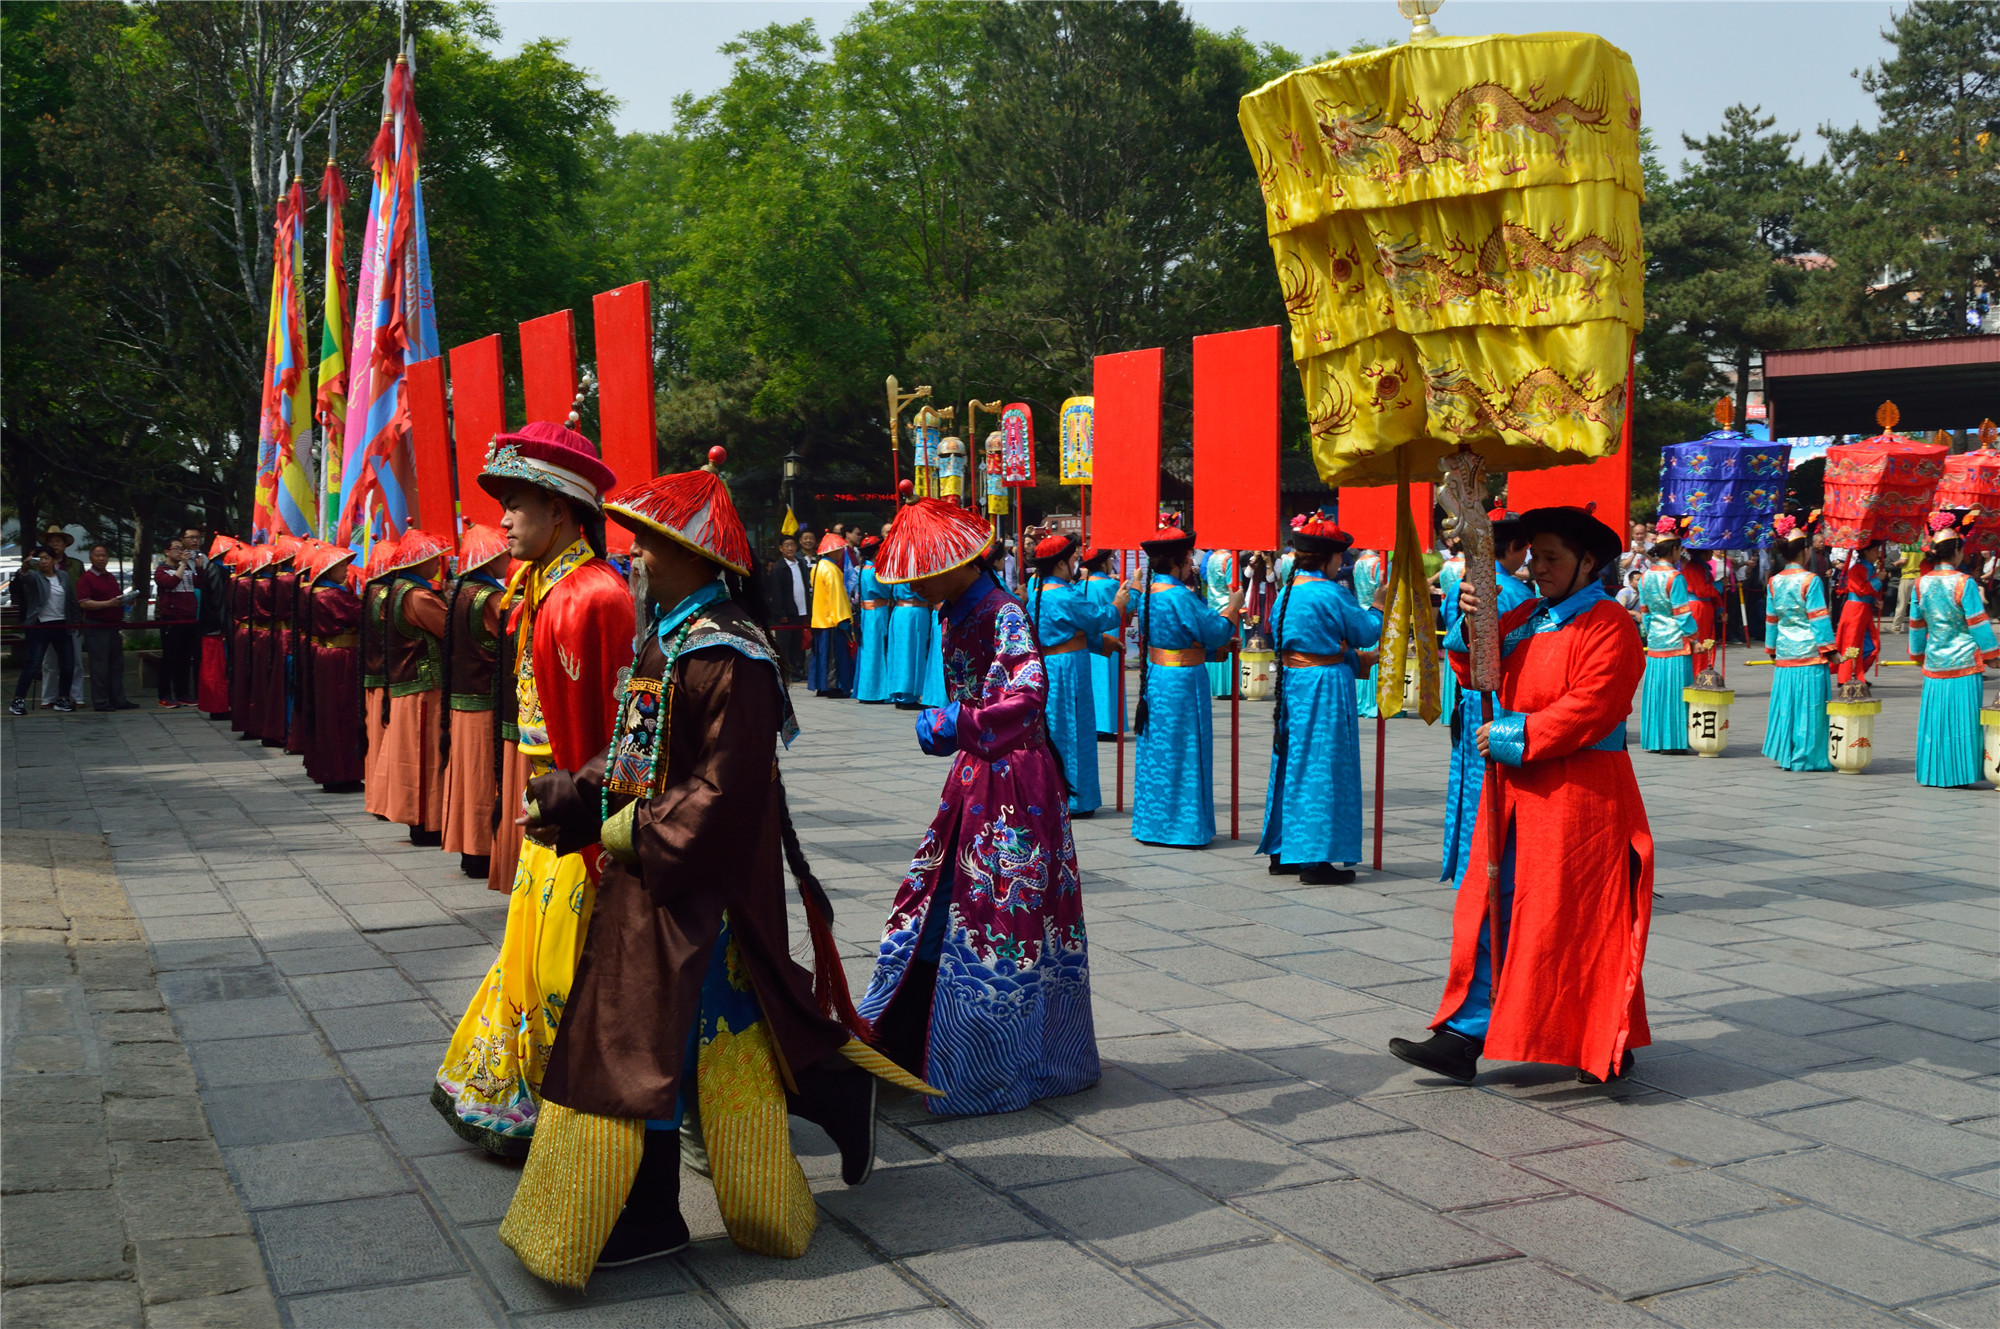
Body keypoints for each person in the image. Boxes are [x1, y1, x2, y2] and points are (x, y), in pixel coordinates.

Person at [498, 463, 923, 1280]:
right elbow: (632, 761)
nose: (641, 558)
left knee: (667, 1042)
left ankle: (659, 1205)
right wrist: (567, 798)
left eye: (653, 544)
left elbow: (724, 795)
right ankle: (695, 1184)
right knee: (663, 1042)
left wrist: (628, 832)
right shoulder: (670, 639)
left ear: (697, 555)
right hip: (655, 878)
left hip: (707, 890)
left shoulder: (735, 655)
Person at [1389, 505, 1654, 1086]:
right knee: (1492, 905)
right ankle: (1465, 1033)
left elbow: (1594, 706)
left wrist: (1516, 733)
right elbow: (1477, 670)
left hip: (1581, 792)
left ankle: (1602, 1038)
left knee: (1578, 918)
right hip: (1516, 790)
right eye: (1535, 557)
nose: (1538, 568)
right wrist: (1468, 626)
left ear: (1589, 562)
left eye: (1552, 558)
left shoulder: (1610, 624)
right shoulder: (1533, 615)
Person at [858, 497, 1097, 1116]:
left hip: (1013, 779)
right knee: (945, 898)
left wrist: (953, 723)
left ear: (960, 563)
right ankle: (915, 1036)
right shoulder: (957, 608)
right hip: (978, 771)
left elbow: (1027, 692)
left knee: (1001, 910)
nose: (916, 586)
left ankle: (996, 1055)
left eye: (923, 574)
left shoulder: (1000, 610)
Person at [436, 420, 633, 1157]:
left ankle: (568, 1100)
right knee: (531, 953)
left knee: (561, 959)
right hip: (546, 809)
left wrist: (596, 822)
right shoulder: (539, 589)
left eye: (517, 501)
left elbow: (614, 730)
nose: (504, 518)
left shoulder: (594, 597)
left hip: (577, 814)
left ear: (561, 510)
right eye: (504, 502)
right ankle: (528, 1094)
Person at [1258, 516, 1382, 886]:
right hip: (1324, 686)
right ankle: (1316, 857)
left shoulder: (1287, 591)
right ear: (1329, 559)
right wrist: (1377, 605)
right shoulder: (1330, 592)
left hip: (1294, 681)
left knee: (1292, 762)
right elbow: (1365, 631)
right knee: (1322, 766)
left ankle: (1283, 851)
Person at [1440, 509, 1539, 887]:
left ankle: (1469, 865)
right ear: (1513, 547)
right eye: (1527, 551)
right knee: (1498, 791)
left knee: (1470, 785)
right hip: (1502, 703)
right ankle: (1493, 871)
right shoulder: (1515, 592)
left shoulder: (1457, 588)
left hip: (1468, 699)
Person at [1131, 526, 1241, 847]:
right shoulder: (1180, 595)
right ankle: (1182, 827)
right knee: (1185, 752)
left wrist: (1211, 650)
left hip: (1156, 678)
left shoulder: (1150, 593)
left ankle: (1153, 823)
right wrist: (1233, 608)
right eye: (1189, 556)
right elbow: (1215, 630)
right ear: (1180, 560)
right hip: (1182, 682)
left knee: (1158, 754)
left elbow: (1170, 640)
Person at [1028, 533, 1126, 816]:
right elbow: (1099, 618)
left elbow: (1065, 632)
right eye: (1072, 559)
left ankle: (1052, 794)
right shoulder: (1065, 594)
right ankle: (1073, 799)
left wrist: (1103, 644)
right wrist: (1118, 603)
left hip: (1049, 666)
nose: (1076, 564)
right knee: (1074, 731)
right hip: (1068, 669)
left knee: (1055, 730)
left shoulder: (1038, 591)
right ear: (1060, 563)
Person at [441, 525, 511, 878]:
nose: (509, 557)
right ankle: (483, 849)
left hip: (463, 699)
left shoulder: (462, 592)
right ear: (489, 559)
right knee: (484, 778)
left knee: (469, 779)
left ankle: (472, 850)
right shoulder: (491, 599)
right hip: (485, 700)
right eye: (503, 553)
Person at [1909, 514, 2000, 787]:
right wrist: (1993, 655)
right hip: (1964, 661)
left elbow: (1916, 625)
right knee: (1963, 720)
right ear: (1958, 551)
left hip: (1936, 661)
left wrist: (1918, 655)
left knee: (1936, 719)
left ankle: (1932, 771)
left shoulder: (1920, 583)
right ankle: (1960, 773)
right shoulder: (1964, 582)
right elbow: (1977, 624)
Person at [377, 529, 453, 845]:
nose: (438, 563)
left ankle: (419, 821)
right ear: (419, 562)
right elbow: (449, 627)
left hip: (407, 683)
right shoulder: (417, 596)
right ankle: (428, 821)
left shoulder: (396, 590)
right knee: (427, 756)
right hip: (426, 687)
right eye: (433, 559)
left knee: (413, 755)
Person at [1761, 516, 1836, 772]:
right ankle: (1808, 756)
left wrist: (1771, 650)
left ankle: (1786, 752)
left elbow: (1771, 620)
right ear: (1804, 552)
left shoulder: (1774, 581)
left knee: (1788, 705)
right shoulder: (1811, 580)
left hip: (1785, 653)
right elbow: (1818, 618)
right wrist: (1830, 649)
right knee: (1810, 707)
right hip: (1810, 653)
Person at [299, 544, 365, 792]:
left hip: (326, 656)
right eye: (342, 567)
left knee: (330, 713)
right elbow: (360, 615)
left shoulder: (314, 592)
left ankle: (335, 771)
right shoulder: (330, 595)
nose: (346, 571)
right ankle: (341, 773)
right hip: (340, 659)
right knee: (342, 713)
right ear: (328, 569)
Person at [1635, 518, 1697, 753]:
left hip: (1656, 642)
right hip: (1676, 642)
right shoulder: (1675, 577)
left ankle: (1655, 739)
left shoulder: (1645, 577)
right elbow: (1682, 614)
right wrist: (1694, 638)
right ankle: (1674, 740)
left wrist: (1651, 634)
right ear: (1673, 550)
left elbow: (1645, 612)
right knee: (1675, 691)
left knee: (1657, 692)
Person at [10, 546, 80, 715]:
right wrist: (26, 565)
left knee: (68, 663)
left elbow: (70, 598)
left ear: (54, 560)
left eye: (46, 558)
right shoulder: (35, 577)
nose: (43, 562)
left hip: (62, 624)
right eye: (39, 559)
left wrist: (76, 619)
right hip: (40, 625)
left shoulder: (63, 576)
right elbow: (24, 576)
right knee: (33, 663)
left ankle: (63, 698)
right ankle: (18, 700)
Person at [78, 544, 137, 712]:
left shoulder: (109, 577)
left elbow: (115, 599)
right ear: (91, 558)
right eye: (97, 555)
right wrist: (108, 604)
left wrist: (126, 600)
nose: (101, 558)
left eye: (104, 555)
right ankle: (101, 701)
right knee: (99, 666)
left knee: (116, 665)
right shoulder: (86, 578)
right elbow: (85, 603)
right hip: (96, 626)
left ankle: (118, 699)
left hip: (113, 626)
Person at [38, 526, 86, 710]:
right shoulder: (39, 565)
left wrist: (80, 616)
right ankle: (48, 697)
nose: (55, 544)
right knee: (49, 661)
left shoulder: (75, 565)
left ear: (65, 544)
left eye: (58, 541)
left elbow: (80, 592)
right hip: (46, 618)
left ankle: (76, 695)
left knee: (75, 660)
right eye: (51, 541)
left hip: (70, 617)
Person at [1082, 548, 1127, 738]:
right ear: (1103, 564)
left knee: (1094, 680)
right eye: (1109, 559)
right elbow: (1129, 604)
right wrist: (1137, 587)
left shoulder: (1081, 587)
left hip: (1089, 636)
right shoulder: (1111, 585)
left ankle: (1094, 723)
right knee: (1109, 679)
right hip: (1109, 632)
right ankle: (1107, 725)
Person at [196, 535, 240, 719]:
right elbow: (220, 602)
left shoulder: (215, 569)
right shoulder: (216, 570)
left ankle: (220, 706)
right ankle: (218, 707)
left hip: (214, 627)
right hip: (216, 629)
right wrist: (227, 627)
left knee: (216, 669)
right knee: (216, 670)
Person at [154, 539, 201, 707]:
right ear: (166, 551)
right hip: (171, 619)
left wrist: (199, 567)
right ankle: (164, 695)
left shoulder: (188, 568)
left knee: (185, 658)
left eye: (182, 549)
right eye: (176, 549)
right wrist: (182, 565)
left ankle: (183, 693)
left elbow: (199, 584)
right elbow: (170, 583)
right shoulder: (161, 570)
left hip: (189, 618)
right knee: (169, 658)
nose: (180, 552)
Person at [1833, 541, 1885, 691]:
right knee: (1852, 643)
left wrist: (1875, 601)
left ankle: (1856, 673)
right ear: (1867, 552)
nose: (1877, 553)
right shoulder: (1856, 568)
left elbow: (1868, 592)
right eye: (1875, 550)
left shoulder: (1870, 568)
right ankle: (1846, 676)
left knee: (1872, 644)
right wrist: (1877, 580)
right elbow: (1861, 589)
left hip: (1864, 610)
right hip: (1855, 610)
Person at [808, 532, 855, 698]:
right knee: (834, 656)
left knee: (821, 655)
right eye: (839, 549)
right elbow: (837, 596)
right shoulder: (832, 570)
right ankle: (833, 687)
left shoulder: (817, 567)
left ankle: (822, 686)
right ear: (833, 551)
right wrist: (842, 618)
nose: (841, 552)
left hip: (819, 619)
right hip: (831, 620)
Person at [765, 533, 812, 678]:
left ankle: (798, 668)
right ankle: (787, 670)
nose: (790, 548)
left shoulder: (801, 564)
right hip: (786, 613)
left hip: (801, 609)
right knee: (785, 643)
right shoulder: (779, 568)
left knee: (799, 643)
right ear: (781, 548)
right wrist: (781, 613)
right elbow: (777, 593)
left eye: (792, 545)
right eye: (787, 546)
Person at [852, 536, 893, 703]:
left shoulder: (864, 569)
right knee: (877, 650)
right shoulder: (875, 571)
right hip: (877, 613)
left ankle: (868, 690)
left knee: (869, 651)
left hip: (867, 613)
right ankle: (875, 691)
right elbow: (886, 590)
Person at [1680, 538, 1724, 678]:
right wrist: (1720, 585)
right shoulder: (1693, 567)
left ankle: (1704, 671)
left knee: (1707, 639)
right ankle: (1697, 674)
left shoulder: (1702, 567)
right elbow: (1701, 590)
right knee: (1700, 640)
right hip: (1697, 607)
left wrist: (1720, 609)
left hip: (1705, 607)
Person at [1351, 547, 1386, 718]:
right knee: (1374, 659)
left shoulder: (1358, 563)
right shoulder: (1380, 563)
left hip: (1361, 610)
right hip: (1377, 612)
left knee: (1362, 658)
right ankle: (1373, 701)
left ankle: (1361, 701)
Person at [886, 575, 929, 708]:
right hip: (914, 612)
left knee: (899, 655)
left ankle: (899, 694)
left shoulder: (897, 568)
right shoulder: (915, 570)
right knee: (912, 654)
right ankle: (908, 696)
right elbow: (923, 593)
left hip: (899, 611)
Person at [1200, 547, 1238, 698]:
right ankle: (1229, 687)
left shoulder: (1211, 558)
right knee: (1230, 645)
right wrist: (1242, 610)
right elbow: (1234, 587)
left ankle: (1216, 686)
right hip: (1229, 608)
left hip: (1213, 606)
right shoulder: (1230, 559)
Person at [1890, 540, 1923, 633]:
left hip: (1907, 577)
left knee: (1902, 604)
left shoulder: (1907, 546)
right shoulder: (1922, 546)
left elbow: (1904, 560)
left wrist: (1895, 563)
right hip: (1920, 577)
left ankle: (1896, 627)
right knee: (1920, 604)